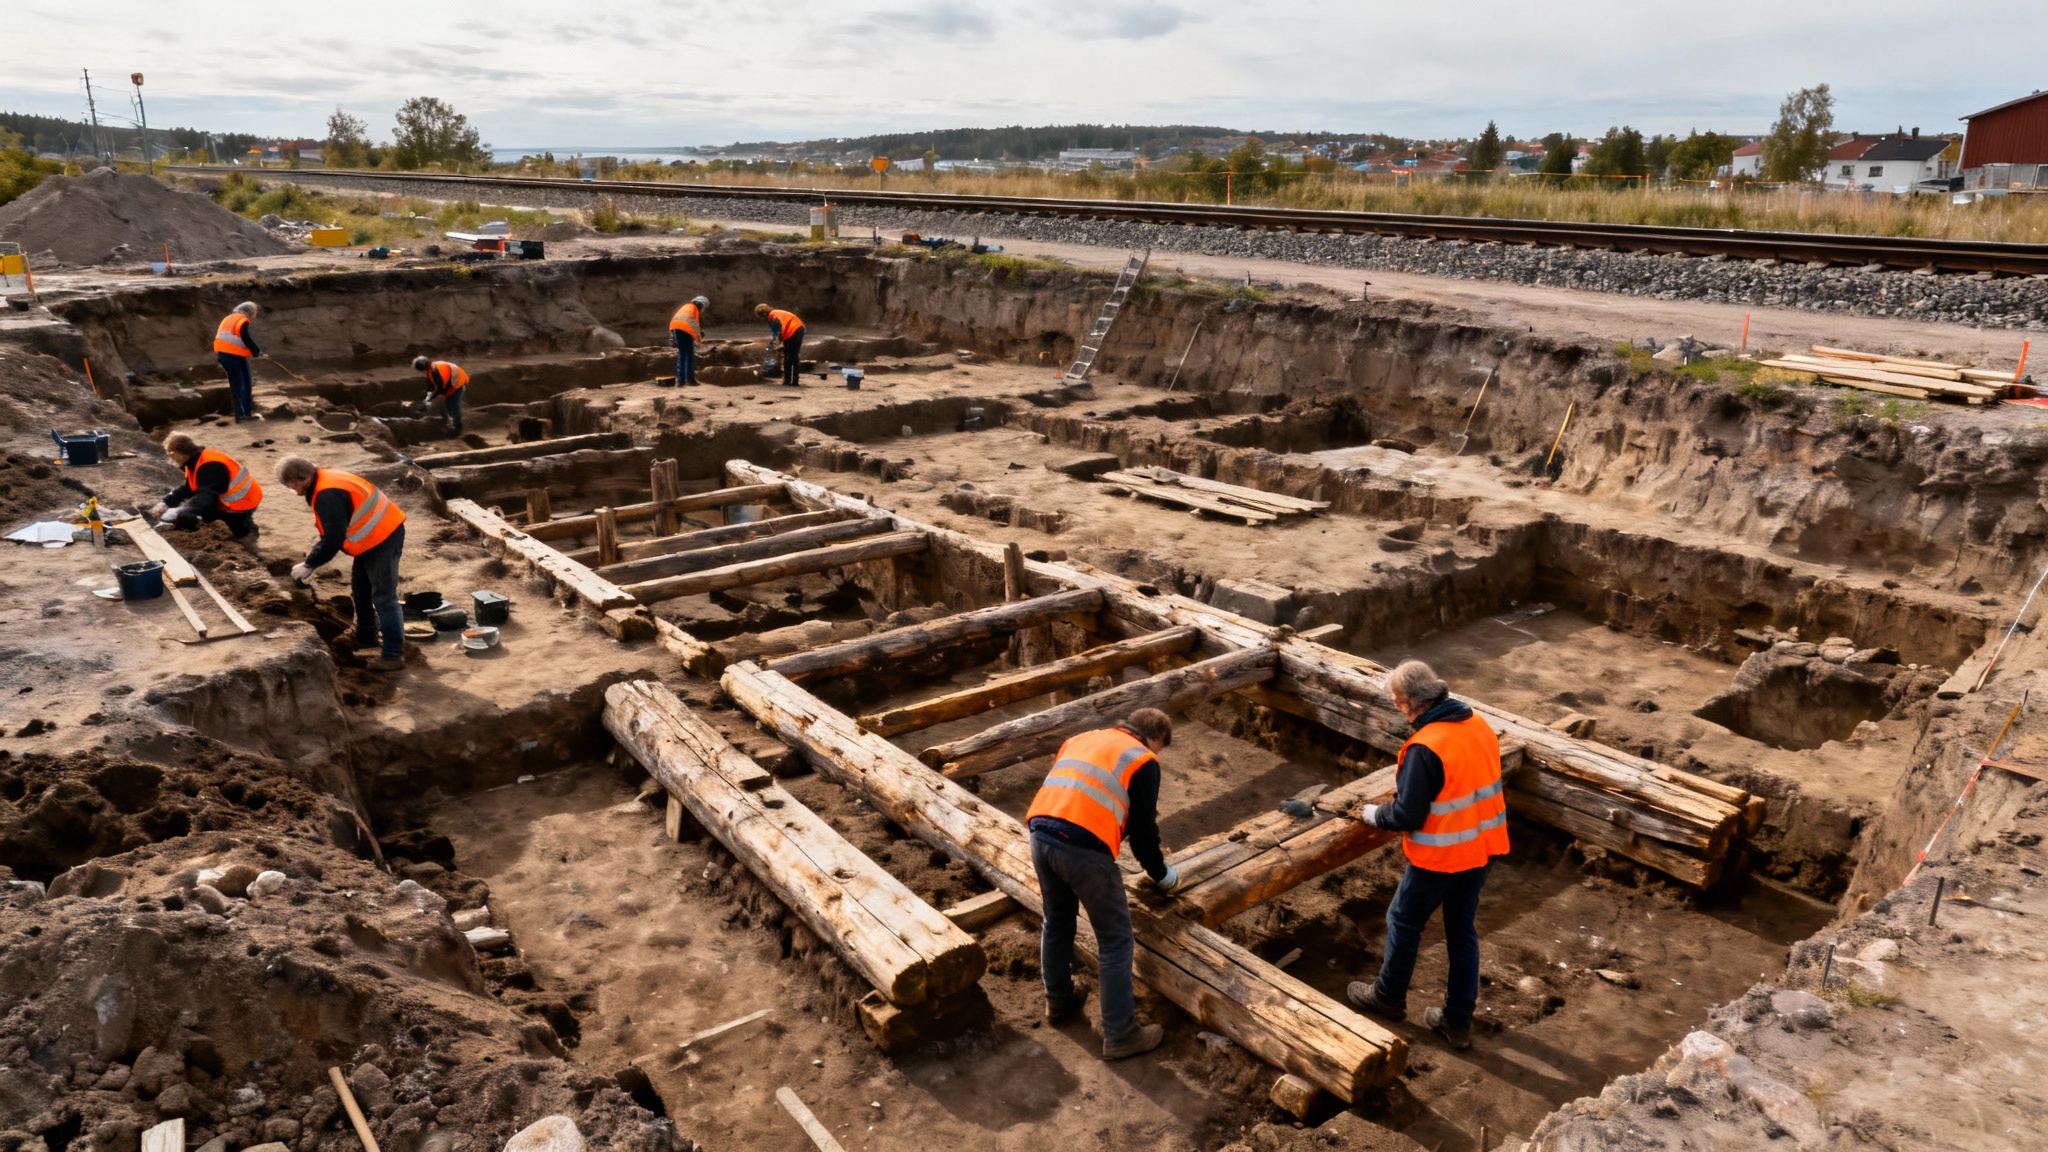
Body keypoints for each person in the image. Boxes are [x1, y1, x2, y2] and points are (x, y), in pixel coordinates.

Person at [1346, 660, 1509, 1051]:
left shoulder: (1425, 748)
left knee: (1402, 920)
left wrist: (1373, 813)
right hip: (1482, 850)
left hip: (1441, 858)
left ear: (1417, 701)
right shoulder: (1478, 724)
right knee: (1462, 933)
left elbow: (1407, 814)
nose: (1398, 710)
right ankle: (1457, 1020)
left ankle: (1388, 995)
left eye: (1399, 702)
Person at [1025, 707, 1181, 1060]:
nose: (1157, 756)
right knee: (1115, 939)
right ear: (1156, 737)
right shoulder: (1142, 759)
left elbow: (1076, 792)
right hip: (1083, 850)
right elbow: (1143, 833)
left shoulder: (1082, 739)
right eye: (1160, 749)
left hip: (1040, 835)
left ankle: (1059, 1001)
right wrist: (1162, 875)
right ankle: (1121, 1033)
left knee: (1057, 919)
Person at [276, 457, 407, 672]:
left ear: (300, 479)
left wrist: (310, 564)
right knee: (360, 590)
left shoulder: (327, 493)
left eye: (290, 485)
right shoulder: (325, 478)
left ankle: (393, 655)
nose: (292, 490)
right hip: (371, 538)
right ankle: (366, 638)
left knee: (384, 598)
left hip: (383, 538)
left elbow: (333, 538)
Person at [148, 432, 263, 550]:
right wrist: (165, 503)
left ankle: (250, 543)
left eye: (172, 456)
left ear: (178, 453)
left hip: (242, 500)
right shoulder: (194, 462)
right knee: (201, 512)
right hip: (231, 495)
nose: (172, 459)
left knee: (237, 526)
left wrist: (183, 511)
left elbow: (207, 496)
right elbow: (189, 488)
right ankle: (248, 531)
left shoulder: (210, 466)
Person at [212, 301, 262, 422]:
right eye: (253, 313)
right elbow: (245, 337)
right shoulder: (242, 320)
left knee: (235, 384)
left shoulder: (228, 318)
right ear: (249, 312)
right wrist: (256, 350)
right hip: (235, 355)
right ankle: (247, 414)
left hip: (222, 354)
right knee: (245, 383)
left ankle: (239, 415)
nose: (253, 316)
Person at [413, 356, 469, 436]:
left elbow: (440, 387)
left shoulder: (436, 370)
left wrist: (431, 397)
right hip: (451, 383)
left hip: (457, 383)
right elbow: (431, 385)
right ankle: (451, 424)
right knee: (448, 405)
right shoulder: (431, 369)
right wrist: (427, 396)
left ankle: (457, 428)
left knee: (453, 405)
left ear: (423, 367)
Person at [754, 302, 804, 387]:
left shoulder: (772, 316)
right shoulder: (777, 312)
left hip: (791, 331)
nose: (762, 319)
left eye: (762, 317)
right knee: (795, 356)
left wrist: (777, 343)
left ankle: (787, 381)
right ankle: (795, 381)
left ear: (764, 314)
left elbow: (778, 330)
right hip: (800, 328)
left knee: (787, 356)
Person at [669, 295, 708, 385]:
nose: (703, 310)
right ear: (700, 305)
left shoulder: (686, 306)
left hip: (676, 328)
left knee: (682, 354)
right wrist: (699, 338)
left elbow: (678, 320)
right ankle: (690, 379)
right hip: (685, 329)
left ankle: (680, 381)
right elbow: (693, 324)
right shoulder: (694, 309)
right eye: (703, 307)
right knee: (689, 354)